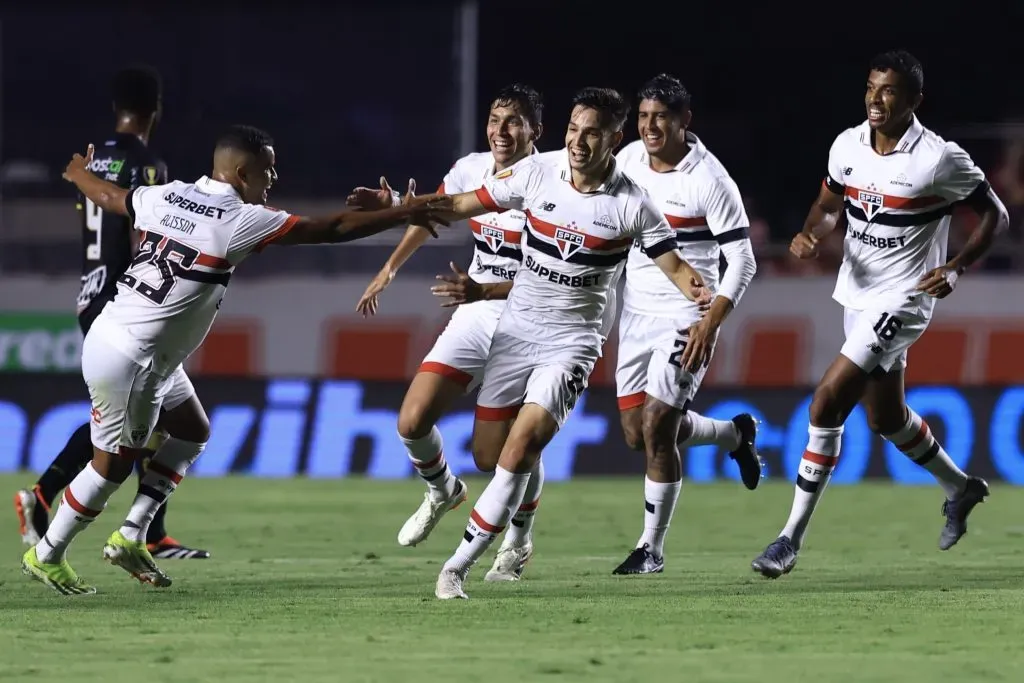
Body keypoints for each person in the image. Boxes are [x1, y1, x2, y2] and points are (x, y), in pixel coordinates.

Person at [21, 125, 450, 595]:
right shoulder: (237, 219)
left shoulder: (168, 194)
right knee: (111, 467)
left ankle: (131, 535)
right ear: (243, 172)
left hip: (123, 337)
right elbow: (329, 229)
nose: (275, 175)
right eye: (268, 168)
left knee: (191, 430)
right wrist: (404, 211)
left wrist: (79, 174)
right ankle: (47, 554)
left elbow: (109, 196)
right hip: (134, 358)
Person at [422, 86, 713, 599]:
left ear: (614, 139)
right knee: (489, 456)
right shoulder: (538, 172)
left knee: (521, 447)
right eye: (574, 130)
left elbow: (678, 269)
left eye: (592, 133)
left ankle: (457, 567)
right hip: (516, 332)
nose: (578, 142)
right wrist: (402, 207)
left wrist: (708, 304)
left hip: (573, 343)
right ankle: (519, 533)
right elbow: (461, 203)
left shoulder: (632, 206)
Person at [751, 50, 1010, 578]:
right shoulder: (847, 145)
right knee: (885, 417)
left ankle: (788, 539)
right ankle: (961, 488)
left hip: (906, 299)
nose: (875, 97)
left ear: (914, 100)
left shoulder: (938, 159)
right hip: (857, 295)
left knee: (826, 404)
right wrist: (811, 234)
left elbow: (995, 214)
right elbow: (827, 204)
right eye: (871, 86)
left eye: (889, 90)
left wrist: (957, 267)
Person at [350, 84, 546, 582]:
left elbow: (552, 274)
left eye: (514, 121)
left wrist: (484, 290)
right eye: (495, 119)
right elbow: (436, 210)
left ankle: (519, 539)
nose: (501, 131)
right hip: (475, 310)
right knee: (411, 421)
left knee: (503, 452)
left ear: (535, 131)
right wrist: (390, 264)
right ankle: (443, 491)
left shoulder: (553, 183)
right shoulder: (471, 167)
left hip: (528, 318)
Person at [13, 65, 209, 561]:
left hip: (89, 292)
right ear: (154, 111)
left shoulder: (92, 161)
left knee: (139, 422)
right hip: (127, 302)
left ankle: (145, 530)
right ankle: (49, 500)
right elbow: (147, 235)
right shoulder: (148, 167)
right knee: (135, 427)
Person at [610, 74, 762, 575]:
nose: (650, 127)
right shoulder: (628, 159)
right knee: (637, 434)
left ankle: (650, 549)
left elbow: (742, 260)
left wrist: (711, 320)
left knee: (657, 427)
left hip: (686, 314)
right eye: (644, 116)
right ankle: (732, 436)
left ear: (683, 121)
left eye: (661, 117)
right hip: (635, 312)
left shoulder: (710, 180)